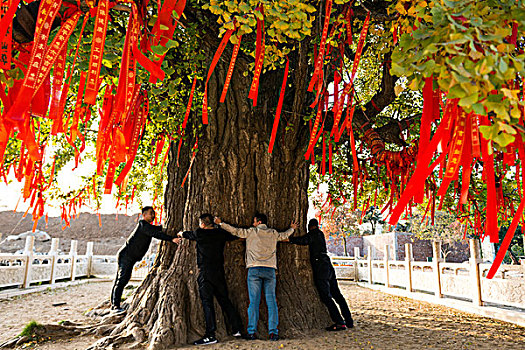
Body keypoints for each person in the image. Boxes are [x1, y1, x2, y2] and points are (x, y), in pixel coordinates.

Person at [214, 214, 297, 341]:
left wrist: (221, 223)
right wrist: (292, 228)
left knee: (254, 302)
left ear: (258, 222)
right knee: (271, 302)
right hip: (269, 269)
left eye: (254, 222)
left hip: (254, 269)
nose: (252, 224)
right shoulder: (273, 233)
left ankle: (251, 332)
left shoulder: (251, 232)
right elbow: (284, 235)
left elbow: (235, 231)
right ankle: (273, 332)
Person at [177, 213, 243, 346]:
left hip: (206, 273)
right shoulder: (220, 233)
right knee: (224, 300)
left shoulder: (199, 233)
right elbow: (235, 236)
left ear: (202, 224)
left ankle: (210, 334)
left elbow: (187, 234)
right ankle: (237, 329)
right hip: (218, 272)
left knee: (207, 303)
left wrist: (180, 233)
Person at [289, 218, 354, 331]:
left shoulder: (314, 234)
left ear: (310, 227)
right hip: (327, 265)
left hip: (320, 267)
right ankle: (349, 321)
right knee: (337, 295)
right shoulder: (320, 234)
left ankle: (339, 322)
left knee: (326, 296)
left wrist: (290, 239)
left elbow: (303, 240)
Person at [111, 206, 178, 312]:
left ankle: (114, 303)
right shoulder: (143, 225)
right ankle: (115, 306)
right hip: (126, 256)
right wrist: (172, 239)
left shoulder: (148, 227)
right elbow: (157, 234)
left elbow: (158, 229)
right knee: (122, 279)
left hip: (130, 257)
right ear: (144, 215)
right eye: (151, 213)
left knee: (122, 279)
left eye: (154, 213)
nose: (153, 215)